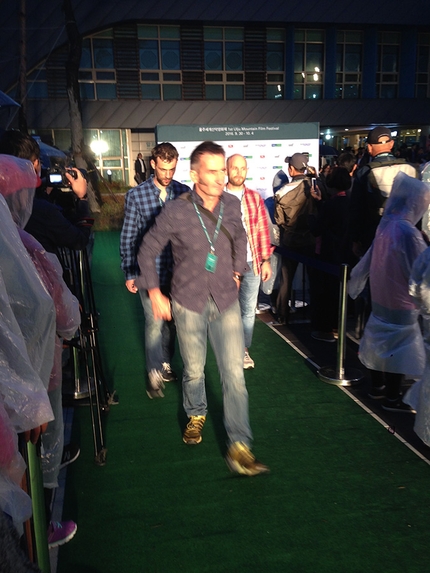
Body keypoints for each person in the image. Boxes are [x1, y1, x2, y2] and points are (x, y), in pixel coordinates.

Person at [136, 140, 269, 476]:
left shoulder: (232, 204)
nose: (221, 177)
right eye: (213, 171)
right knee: (194, 371)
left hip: (225, 300)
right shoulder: (177, 210)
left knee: (235, 377)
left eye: (223, 169)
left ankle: (240, 445)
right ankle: (196, 413)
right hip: (188, 301)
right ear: (194, 174)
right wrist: (154, 291)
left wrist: (238, 270)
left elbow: (240, 238)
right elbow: (146, 249)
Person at [0, 154, 80, 548]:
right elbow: (63, 313)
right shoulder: (27, 248)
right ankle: (40, 533)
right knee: (36, 460)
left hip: (10, 391)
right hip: (37, 379)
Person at [348, 172, 430, 411]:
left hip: (381, 296)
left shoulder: (386, 227)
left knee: (381, 343)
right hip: (402, 302)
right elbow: (419, 269)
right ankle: (393, 398)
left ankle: (378, 388)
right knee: (400, 348)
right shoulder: (408, 232)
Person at [120, 142, 190, 398]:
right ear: (153, 164)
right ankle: (153, 372)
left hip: (178, 273)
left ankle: (165, 362)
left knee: (171, 322)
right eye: (163, 169)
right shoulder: (136, 196)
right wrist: (129, 272)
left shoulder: (184, 192)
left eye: (171, 169)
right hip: (148, 271)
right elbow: (129, 236)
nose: (167, 175)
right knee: (153, 323)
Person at [0, 130, 94, 257]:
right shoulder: (43, 212)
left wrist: (43, 189)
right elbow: (79, 240)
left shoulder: (5, 205)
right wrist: (82, 198)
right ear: (35, 163)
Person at [225, 154, 272, 369]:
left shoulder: (254, 198)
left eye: (242, 168)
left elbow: (263, 229)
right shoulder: (216, 196)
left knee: (247, 310)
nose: (238, 172)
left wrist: (266, 260)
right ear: (226, 170)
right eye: (234, 168)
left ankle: (243, 350)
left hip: (252, 262)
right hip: (225, 266)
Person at [349, 126, 418, 259]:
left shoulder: (364, 172)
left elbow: (356, 210)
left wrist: (355, 239)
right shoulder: (412, 169)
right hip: (406, 236)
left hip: (374, 235)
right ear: (391, 144)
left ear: (369, 147)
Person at [308, 167, 352, 341]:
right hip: (345, 254)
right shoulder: (350, 203)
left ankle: (325, 329)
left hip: (328, 254)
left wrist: (310, 218)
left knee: (325, 293)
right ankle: (337, 326)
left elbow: (317, 229)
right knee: (339, 293)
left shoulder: (331, 205)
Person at [274, 153, 316, 325]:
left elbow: (279, 221)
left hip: (290, 240)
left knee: (286, 280)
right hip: (312, 239)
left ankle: (283, 315)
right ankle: (316, 314)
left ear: (291, 169)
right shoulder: (314, 187)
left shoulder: (281, 193)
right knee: (315, 279)